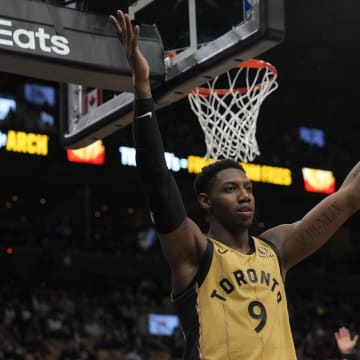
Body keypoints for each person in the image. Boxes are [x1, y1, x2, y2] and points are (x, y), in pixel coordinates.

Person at [109, 9, 360, 360]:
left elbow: (349, 197)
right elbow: (156, 179)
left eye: (248, 188)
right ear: (205, 202)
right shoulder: (196, 253)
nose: (244, 195)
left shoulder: (276, 249)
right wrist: (141, 87)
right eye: (230, 189)